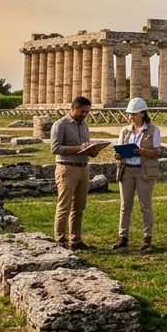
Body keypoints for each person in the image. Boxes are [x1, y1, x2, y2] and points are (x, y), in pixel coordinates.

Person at [50, 96, 105, 249]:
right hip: (67, 168)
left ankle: (75, 240)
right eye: (82, 112)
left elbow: (84, 147)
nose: (84, 115)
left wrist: (93, 151)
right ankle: (59, 240)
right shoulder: (60, 124)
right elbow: (55, 148)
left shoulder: (84, 125)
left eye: (87, 112)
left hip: (83, 167)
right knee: (64, 206)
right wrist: (79, 148)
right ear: (73, 108)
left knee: (79, 206)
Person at [113, 98, 161, 251]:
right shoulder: (125, 131)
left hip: (144, 171)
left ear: (142, 113)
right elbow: (118, 150)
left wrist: (142, 151)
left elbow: (157, 151)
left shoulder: (154, 130)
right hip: (126, 170)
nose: (131, 117)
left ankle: (147, 237)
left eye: (134, 114)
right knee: (125, 206)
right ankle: (122, 237)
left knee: (145, 206)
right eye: (130, 114)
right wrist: (118, 154)